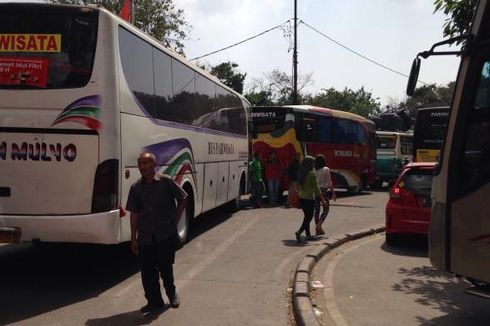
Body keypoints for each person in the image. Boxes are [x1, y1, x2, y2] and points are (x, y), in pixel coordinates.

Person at [126, 152, 188, 313]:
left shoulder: (166, 182)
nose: (142, 167)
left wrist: (175, 219)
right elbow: (134, 213)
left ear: (154, 165)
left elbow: (183, 197)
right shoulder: (136, 187)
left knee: (166, 268)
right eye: (140, 163)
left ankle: (172, 295)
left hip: (164, 234)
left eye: (145, 163)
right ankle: (154, 301)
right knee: (147, 273)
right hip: (145, 236)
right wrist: (133, 238)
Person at [295, 155, 328, 243]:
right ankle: (299, 232)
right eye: (313, 162)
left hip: (301, 197)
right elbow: (316, 188)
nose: (314, 164)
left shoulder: (301, 173)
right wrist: (323, 200)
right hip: (309, 198)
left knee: (306, 216)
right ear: (309, 163)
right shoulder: (311, 173)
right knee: (308, 217)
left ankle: (308, 235)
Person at [313, 154, 336, 235]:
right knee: (326, 209)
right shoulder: (326, 169)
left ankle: (318, 229)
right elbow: (329, 182)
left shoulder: (314, 170)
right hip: (323, 191)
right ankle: (319, 225)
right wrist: (333, 193)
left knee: (317, 210)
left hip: (315, 191)